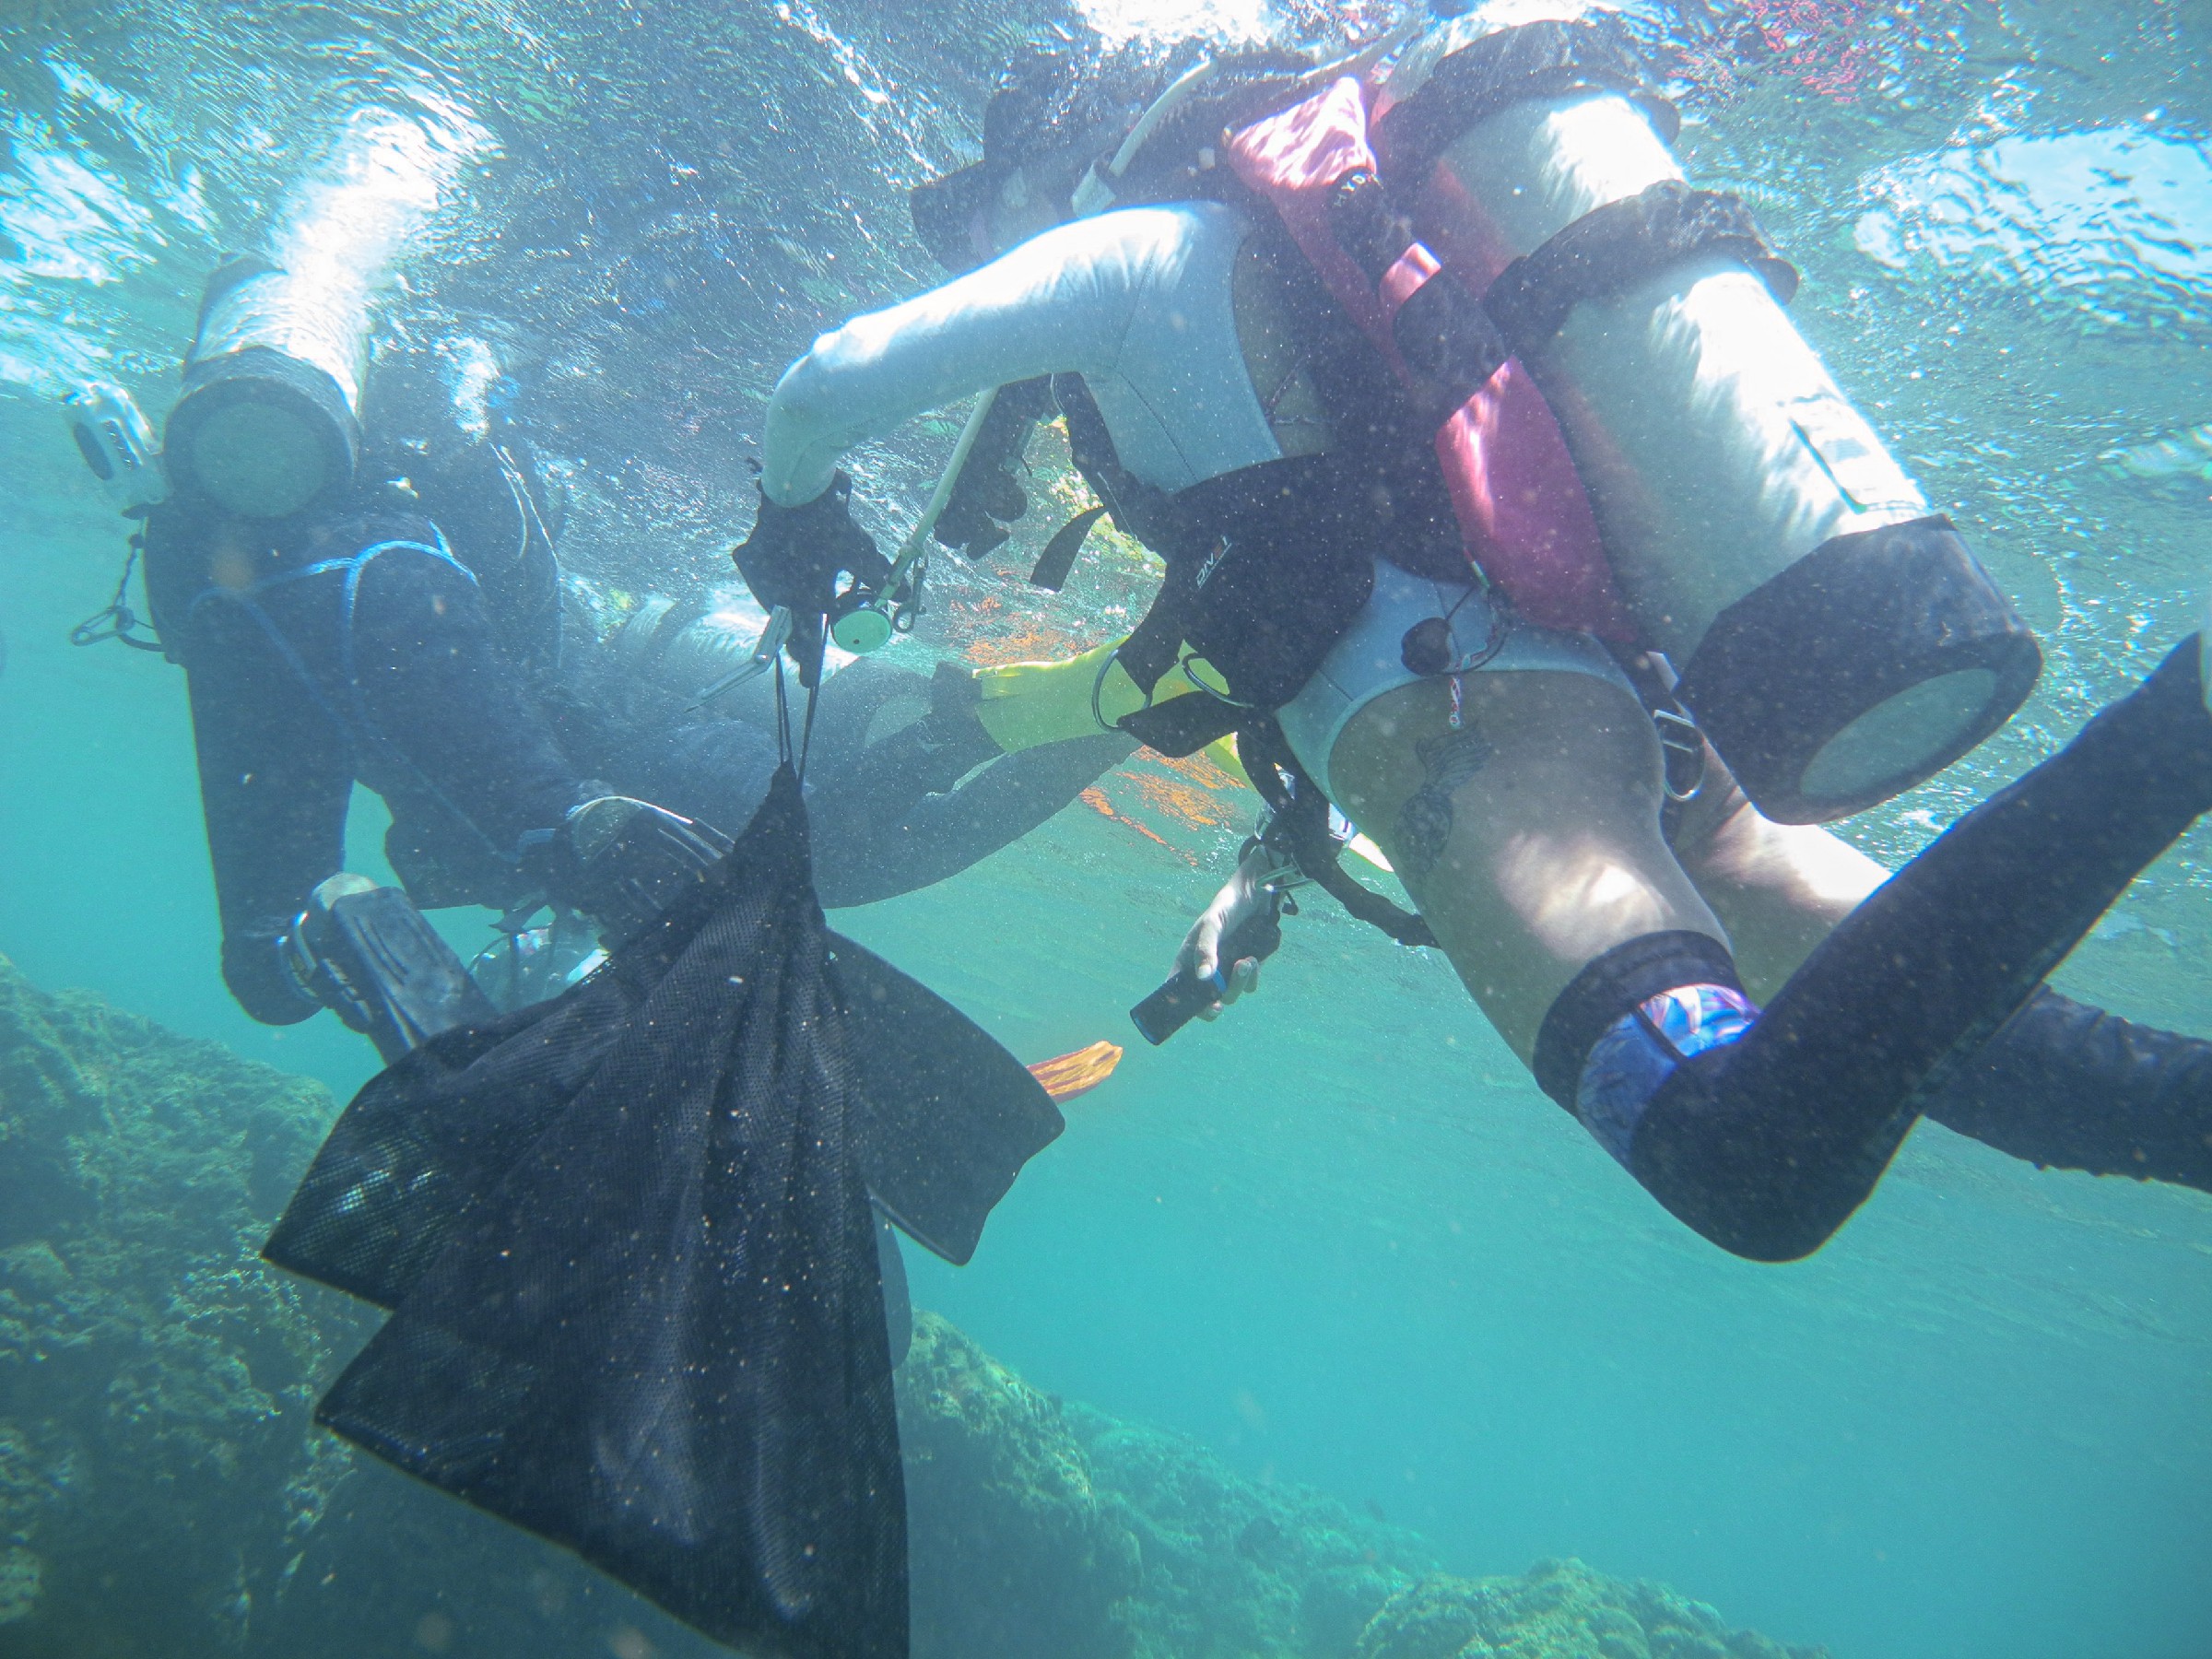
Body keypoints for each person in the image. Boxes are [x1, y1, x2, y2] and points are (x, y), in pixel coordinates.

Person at [735, 27, 2212, 1257]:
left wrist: (792, 517)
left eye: (982, 203)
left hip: (1479, 741)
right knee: (2035, 1060)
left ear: (1058, 162)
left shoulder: (1127, 258)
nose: (977, 235)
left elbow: (823, 382)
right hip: (1644, 710)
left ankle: (2181, 723)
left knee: (1735, 1157)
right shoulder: (1329, 253)